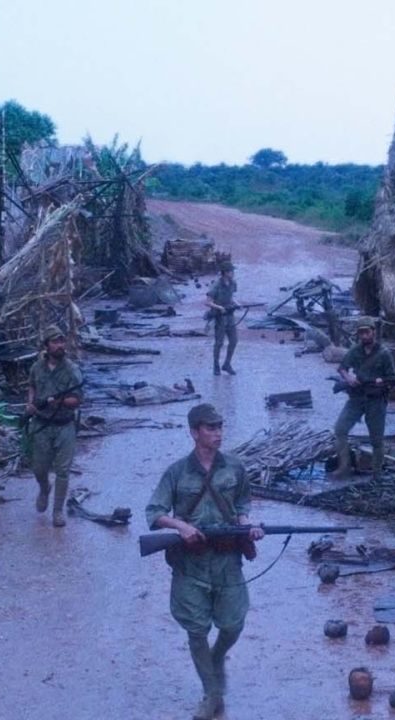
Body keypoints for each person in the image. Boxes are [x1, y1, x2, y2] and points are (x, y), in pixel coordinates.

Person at [145, 403, 265, 720]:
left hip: (227, 560)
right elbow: (154, 513)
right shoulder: (176, 472)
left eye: (220, 427)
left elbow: (242, 503)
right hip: (191, 563)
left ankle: (217, 656)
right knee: (196, 630)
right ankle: (212, 693)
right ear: (194, 432)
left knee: (234, 623)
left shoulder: (234, 467)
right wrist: (181, 527)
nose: (218, 433)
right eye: (211, 428)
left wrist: (247, 525)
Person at [25, 325, 84, 527]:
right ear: (46, 345)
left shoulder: (72, 370)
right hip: (41, 424)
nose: (60, 345)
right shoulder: (37, 368)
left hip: (64, 425)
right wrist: (31, 404)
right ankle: (44, 489)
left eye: (62, 341)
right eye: (55, 342)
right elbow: (32, 385)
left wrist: (58, 402)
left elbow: (78, 400)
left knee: (63, 470)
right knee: (39, 468)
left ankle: (58, 511)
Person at [332, 316, 395, 480]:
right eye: (361, 333)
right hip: (356, 397)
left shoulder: (384, 354)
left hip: (376, 400)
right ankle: (344, 467)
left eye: (367, 332)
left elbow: (392, 379)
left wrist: (383, 382)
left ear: (373, 332)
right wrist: (349, 379)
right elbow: (342, 368)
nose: (364, 336)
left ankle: (377, 475)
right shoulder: (355, 350)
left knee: (376, 440)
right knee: (340, 429)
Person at [204, 260, 239, 376]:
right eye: (231, 271)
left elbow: (231, 297)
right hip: (219, 317)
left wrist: (237, 304)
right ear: (225, 272)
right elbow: (208, 302)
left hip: (230, 316)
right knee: (219, 343)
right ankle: (216, 365)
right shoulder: (216, 285)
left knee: (234, 341)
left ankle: (227, 364)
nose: (233, 273)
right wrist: (219, 307)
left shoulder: (233, 283)